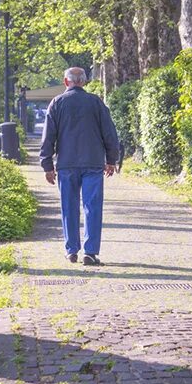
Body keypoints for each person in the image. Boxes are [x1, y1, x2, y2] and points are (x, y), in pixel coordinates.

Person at [40, 67, 120, 265]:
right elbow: (109, 133)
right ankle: (90, 252)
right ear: (84, 82)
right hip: (93, 162)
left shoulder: (57, 103)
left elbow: (48, 136)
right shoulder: (96, 102)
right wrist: (111, 160)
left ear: (66, 82)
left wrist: (47, 164)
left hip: (66, 163)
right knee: (92, 207)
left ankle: (71, 250)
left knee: (69, 207)